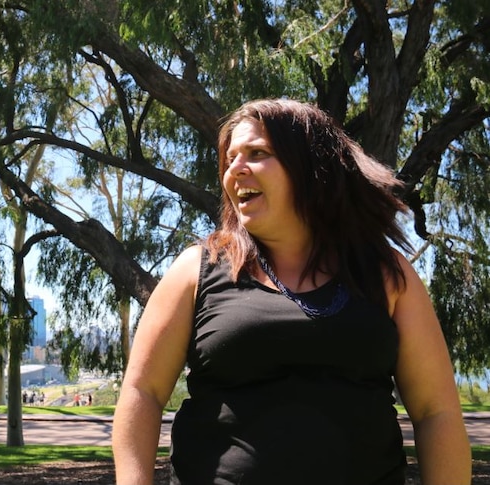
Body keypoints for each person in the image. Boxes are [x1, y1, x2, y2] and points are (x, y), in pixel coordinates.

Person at [112, 99, 471, 484]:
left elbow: (437, 413)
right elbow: (142, 392)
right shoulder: (196, 270)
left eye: (257, 153)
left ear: (310, 165)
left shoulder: (387, 274)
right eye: (230, 158)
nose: (235, 169)